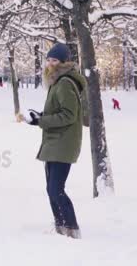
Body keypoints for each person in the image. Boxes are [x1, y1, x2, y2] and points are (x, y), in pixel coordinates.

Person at [16, 43, 85, 239]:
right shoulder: (57, 81)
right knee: (51, 188)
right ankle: (61, 227)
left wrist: (42, 120)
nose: (50, 64)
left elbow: (68, 115)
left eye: (54, 60)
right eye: (48, 60)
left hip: (63, 143)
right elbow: (57, 112)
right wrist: (37, 117)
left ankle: (71, 229)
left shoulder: (64, 83)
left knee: (56, 188)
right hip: (55, 141)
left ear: (64, 62)